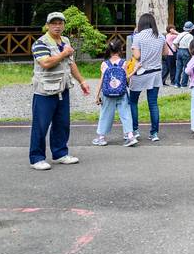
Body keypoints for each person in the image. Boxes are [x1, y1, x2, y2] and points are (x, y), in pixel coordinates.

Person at [29, 11, 91, 170]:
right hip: (44, 91)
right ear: (48, 25)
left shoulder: (65, 40)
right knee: (41, 125)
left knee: (62, 123)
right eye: (53, 23)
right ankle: (37, 158)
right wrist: (64, 53)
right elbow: (46, 63)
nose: (57, 26)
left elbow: (71, 63)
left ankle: (60, 153)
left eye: (60, 23)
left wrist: (82, 81)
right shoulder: (40, 43)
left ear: (64, 25)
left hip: (63, 89)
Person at [93, 37, 137, 147]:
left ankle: (101, 138)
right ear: (120, 50)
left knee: (105, 114)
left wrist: (97, 95)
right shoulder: (124, 63)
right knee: (126, 114)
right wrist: (135, 70)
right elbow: (126, 79)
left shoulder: (105, 64)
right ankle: (130, 136)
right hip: (121, 93)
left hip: (107, 94)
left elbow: (102, 80)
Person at [129, 12, 166, 142]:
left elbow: (137, 56)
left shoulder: (138, 37)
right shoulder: (161, 37)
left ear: (141, 24)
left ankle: (135, 130)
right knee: (153, 104)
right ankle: (154, 133)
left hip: (140, 73)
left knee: (133, 101)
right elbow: (166, 52)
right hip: (156, 73)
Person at [174, 21, 194, 87]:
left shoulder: (180, 34)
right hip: (186, 51)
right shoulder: (190, 36)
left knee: (178, 68)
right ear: (191, 29)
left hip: (179, 51)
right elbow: (189, 47)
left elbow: (174, 42)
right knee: (186, 68)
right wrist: (192, 54)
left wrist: (178, 48)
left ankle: (176, 84)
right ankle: (184, 83)